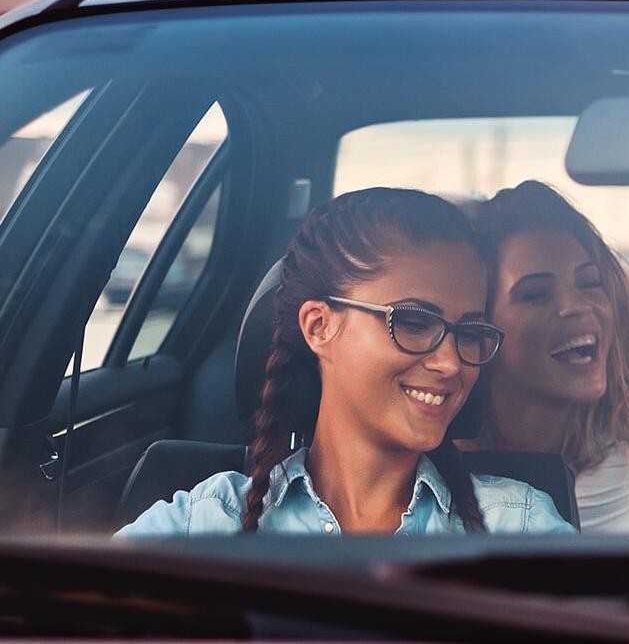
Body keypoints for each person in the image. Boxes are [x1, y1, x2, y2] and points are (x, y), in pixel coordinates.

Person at [118, 188, 575, 536]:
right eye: (414, 322)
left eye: (469, 334)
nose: (451, 364)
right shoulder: (204, 524)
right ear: (319, 327)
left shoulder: (519, 526)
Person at [461, 181, 629, 534]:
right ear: (479, 328)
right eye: (536, 294)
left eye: (590, 282)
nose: (576, 306)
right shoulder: (425, 442)